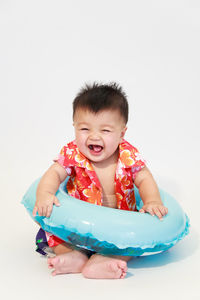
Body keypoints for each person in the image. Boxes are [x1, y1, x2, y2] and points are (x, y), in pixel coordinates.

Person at [33, 82, 168, 279]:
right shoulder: (73, 154)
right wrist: (45, 194)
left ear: (122, 134)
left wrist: (152, 201)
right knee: (55, 235)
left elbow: (144, 179)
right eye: (85, 129)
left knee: (130, 242)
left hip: (118, 227)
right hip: (78, 225)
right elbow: (54, 173)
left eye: (105, 131)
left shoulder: (128, 156)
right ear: (74, 127)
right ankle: (75, 256)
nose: (94, 136)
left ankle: (103, 261)